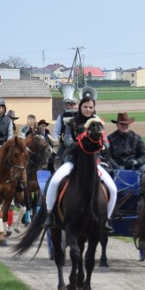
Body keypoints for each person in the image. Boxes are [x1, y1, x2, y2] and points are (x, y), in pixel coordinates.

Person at [43, 91, 117, 233]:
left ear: (94, 108)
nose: (88, 109)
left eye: (90, 107)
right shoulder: (72, 122)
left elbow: (106, 142)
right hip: (72, 161)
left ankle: (106, 219)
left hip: (94, 162)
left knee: (112, 189)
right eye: (85, 107)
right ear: (80, 107)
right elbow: (69, 140)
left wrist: (104, 145)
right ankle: (49, 214)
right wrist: (79, 142)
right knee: (54, 181)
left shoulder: (98, 123)